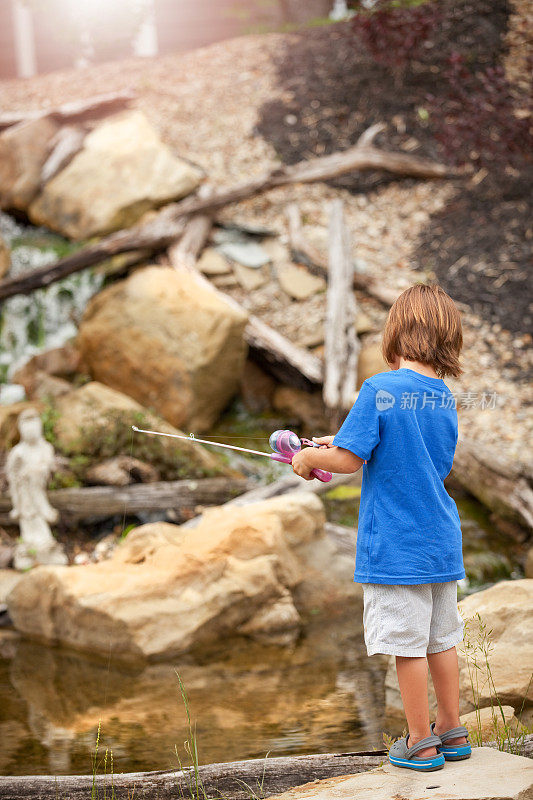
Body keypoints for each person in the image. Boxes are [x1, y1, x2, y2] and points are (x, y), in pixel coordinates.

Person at [291, 283, 471, 771]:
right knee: (441, 638)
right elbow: (420, 456)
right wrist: (344, 440)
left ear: (395, 336)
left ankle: (418, 740)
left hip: (396, 544)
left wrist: (310, 456)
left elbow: (347, 461)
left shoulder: (379, 388)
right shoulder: (443, 398)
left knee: (406, 643)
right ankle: (451, 730)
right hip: (440, 539)